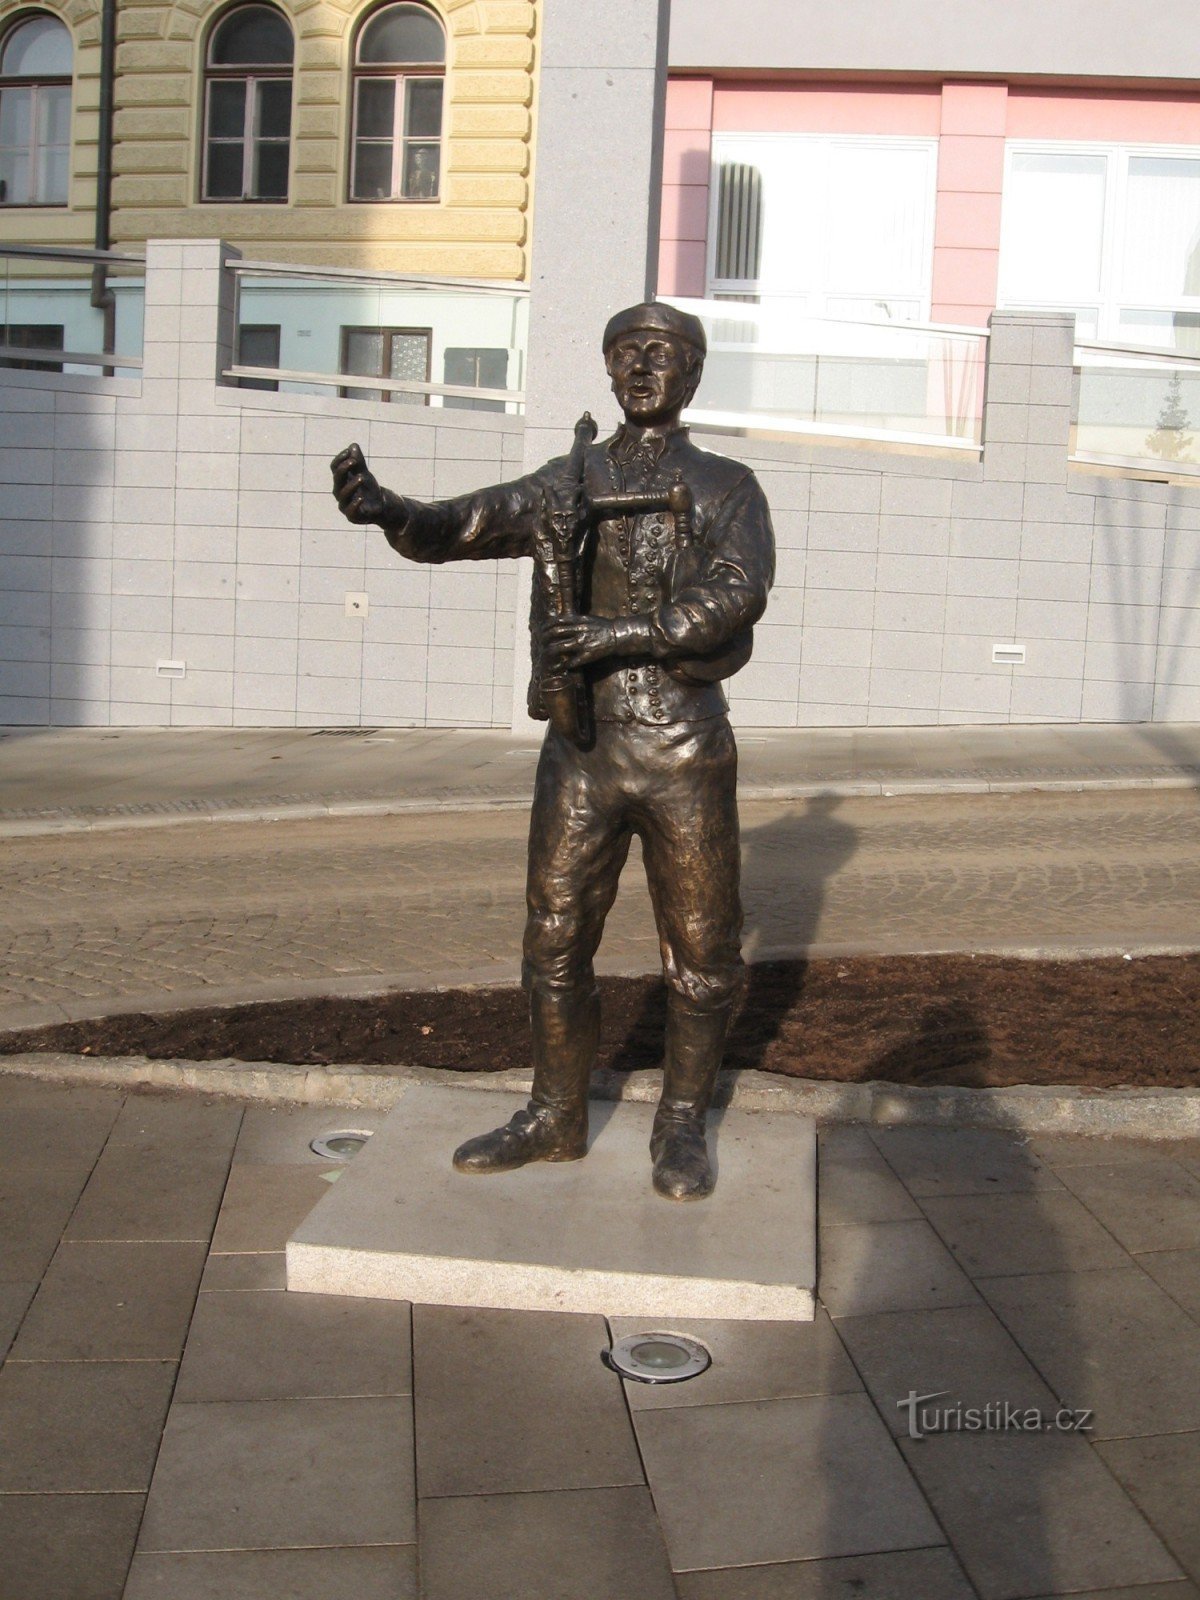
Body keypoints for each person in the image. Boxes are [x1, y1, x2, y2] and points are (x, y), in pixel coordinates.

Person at [331, 302, 774, 1199]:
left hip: (683, 747)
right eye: (626, 352)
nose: (642, 367)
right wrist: (391, 511)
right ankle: (555, 1114)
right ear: (608, 369)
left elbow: (735, 592)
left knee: (702, 951)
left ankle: (681, 1124)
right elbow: (471, 522)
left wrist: (620, 633)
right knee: (554, 937)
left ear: (692, 372)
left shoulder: (726, 485)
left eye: (661, 353)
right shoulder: (573, 476)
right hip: (582, 746)